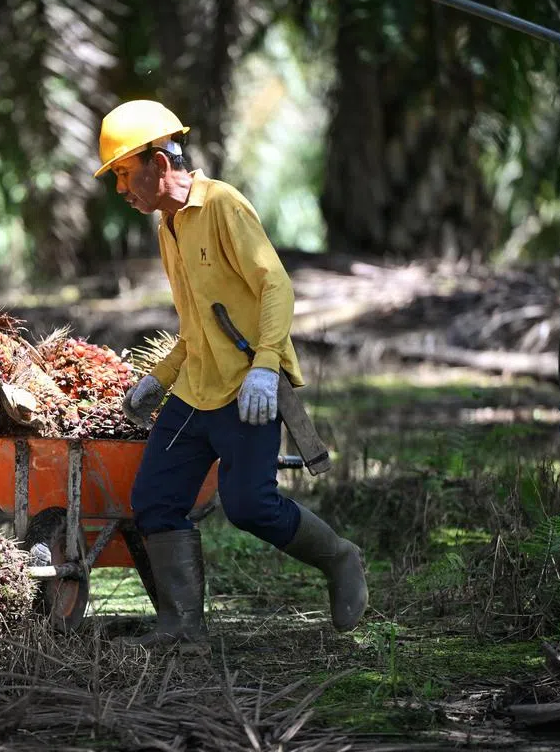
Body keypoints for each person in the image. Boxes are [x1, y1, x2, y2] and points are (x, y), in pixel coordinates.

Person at [94, 99, 368, 646]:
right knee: (154, 500)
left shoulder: (222, 205)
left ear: (160, 163)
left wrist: (266, 367)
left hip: (247, 391)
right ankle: (182, 625)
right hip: (194, 391)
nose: (121, 188)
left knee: (249, 506)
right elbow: (198, 323)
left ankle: (340, 558)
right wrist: (162, 375)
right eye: (116, 177)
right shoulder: (167, 226)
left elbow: (276, 286)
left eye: (125, 172)